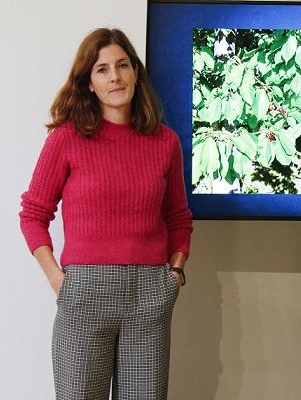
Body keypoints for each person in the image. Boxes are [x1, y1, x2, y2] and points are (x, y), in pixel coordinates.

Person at [19, 28, 193, 400]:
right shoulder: (66, 139)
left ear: (135, 73)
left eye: (122, 65)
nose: (114, 76)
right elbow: (33, 214)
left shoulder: (165, 142)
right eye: (102, 69)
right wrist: (58, 280)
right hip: (84, 292)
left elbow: (179, 217)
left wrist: (174, 273)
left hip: (150, 295)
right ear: (89, 83)